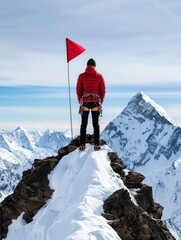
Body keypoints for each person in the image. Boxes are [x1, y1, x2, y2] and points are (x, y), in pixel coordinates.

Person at [76, 58, 106, 151]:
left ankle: (82, 145)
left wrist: (80, 101)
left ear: (87, 66)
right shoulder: (100, 76)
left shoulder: (81, 76)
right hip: (95, 102)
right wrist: (101, 102)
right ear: (95, 66)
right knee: (95, 124)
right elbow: (103, 91)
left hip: (85, 101)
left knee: (83, 124)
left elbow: (78, 90)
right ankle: (96, 145)